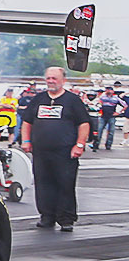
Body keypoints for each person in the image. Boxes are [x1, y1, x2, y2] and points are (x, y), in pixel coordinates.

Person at [19, 66, 92, 232]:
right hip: (41, 152)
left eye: (54, 78)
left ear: (63, 80)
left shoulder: (73, 100)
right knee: (43, 184)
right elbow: (27, 122)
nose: (51, 81)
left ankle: (66, 219)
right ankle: (47, 216)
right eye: (48, 78)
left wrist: (79, 145)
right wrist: (26, 140)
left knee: (65, 184)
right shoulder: (38, 99)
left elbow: (84, 123)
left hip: (65, 152)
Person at [98, 86, 122, 151]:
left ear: (112, 91)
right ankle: (96, 144)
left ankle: (108, 145)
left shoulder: (116, 98)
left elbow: (125, 105)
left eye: (109, 90)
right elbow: (98, 103)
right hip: (103, 116)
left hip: (111, 116)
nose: (108, 91)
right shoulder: (102, 97)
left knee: (111, 131)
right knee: (99, 130)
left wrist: (118, 112)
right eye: (107, 90)